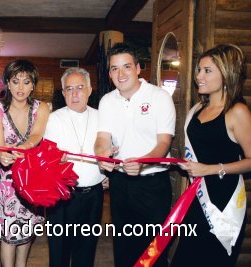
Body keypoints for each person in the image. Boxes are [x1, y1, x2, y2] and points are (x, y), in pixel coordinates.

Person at [94, 43, 176, 267]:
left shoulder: (160, 97)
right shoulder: (107, 101)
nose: (120, 74)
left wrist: (143, 163)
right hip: (119, 184)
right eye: (114, 68)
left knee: (153, 249)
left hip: (153, 185)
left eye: (126, 66)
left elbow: (164, 143)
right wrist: (101, 154)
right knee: (123, 246)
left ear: (139, 68)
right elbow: (102, 138)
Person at [171, 44, 251, 267]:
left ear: (226, 74)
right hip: (196, 199)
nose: (199, 76)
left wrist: (210, 169)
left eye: (207, 71)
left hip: (223, 202)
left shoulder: (237, 112)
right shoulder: (197, 109)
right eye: (199, 70)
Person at [0, 59, 49, 267]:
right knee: (8, 232)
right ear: (7, 82)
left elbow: (37, 135)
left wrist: (19, 148)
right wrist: (1, 154)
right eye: (16, 81)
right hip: (7, 181)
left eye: (26, 81)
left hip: (32, 178)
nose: (21, 87)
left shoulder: (41, 108)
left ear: (33, 84)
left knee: (27, 228)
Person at [44, 67, 106, 267]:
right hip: (63, 196)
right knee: (59, 251)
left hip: (94, 195)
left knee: (86, 250)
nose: (74, 94)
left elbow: (110, 151)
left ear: (89, 90)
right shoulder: (54, 119)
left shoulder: (102, 117)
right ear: (63, 94)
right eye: (69, 89)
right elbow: (48, 158)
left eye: (80, 88)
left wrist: (107, 173)